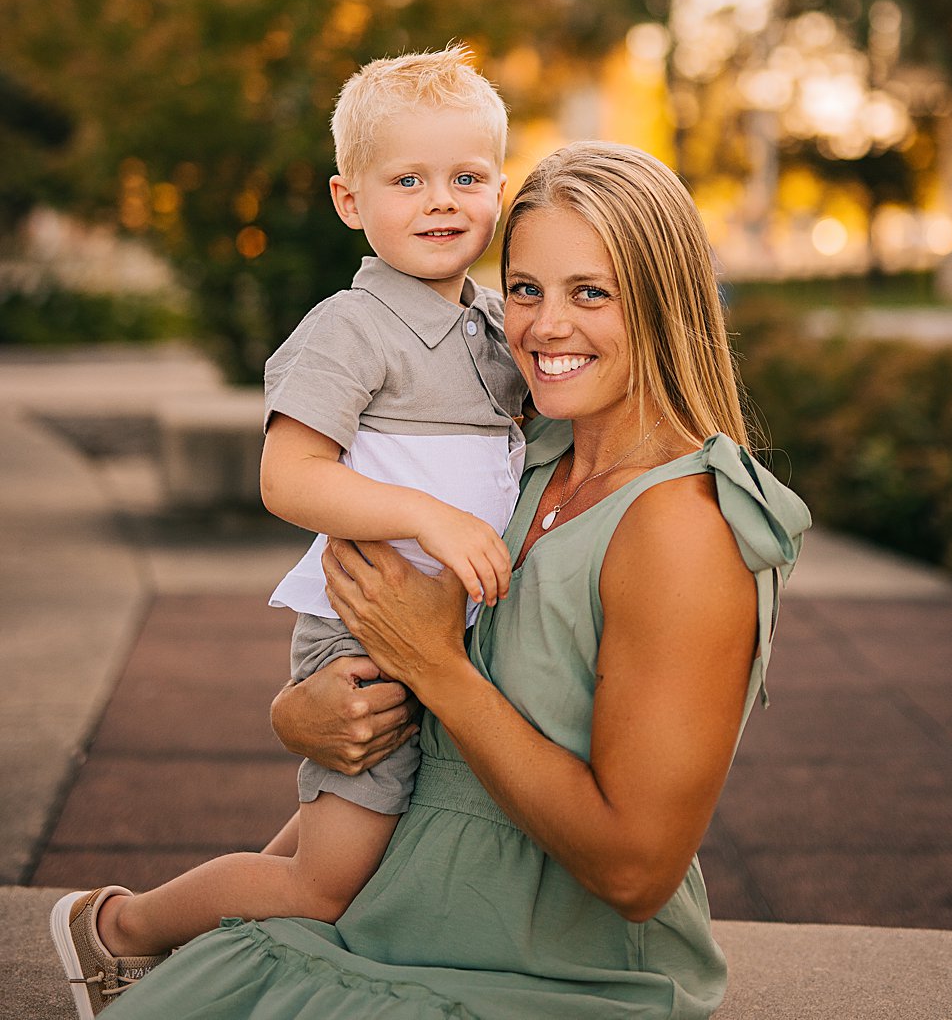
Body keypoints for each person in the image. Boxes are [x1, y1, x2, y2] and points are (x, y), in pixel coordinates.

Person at [73, 141, 809, 1018]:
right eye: (526, 289)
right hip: (390, 910)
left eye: (592, 292)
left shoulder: (681, 526)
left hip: (549, 971)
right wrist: (301, 715)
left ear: (664, 305)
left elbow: (634, 869)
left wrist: (437, 667)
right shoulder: (519, 464)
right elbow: (392, 677)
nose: (543, 327)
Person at [50, 45, 529, 1012]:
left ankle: (187, 950)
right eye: (408, 180)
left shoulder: (497, 326)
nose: (441, 200)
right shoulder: (348, 327)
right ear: (351, 201)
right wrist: (427, 517)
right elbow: (288, 475)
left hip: (446, 631)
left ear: (500, 190)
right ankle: (114, 927)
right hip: (366, 634)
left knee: (333, 836)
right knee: (325, 882)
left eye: (466, 177)